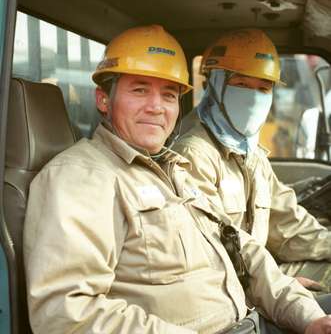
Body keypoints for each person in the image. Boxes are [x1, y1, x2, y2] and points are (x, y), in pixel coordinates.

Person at [24, 25, 331, 334]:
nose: (157, 107)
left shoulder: (172, 169)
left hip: (250, 318)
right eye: (140, 89)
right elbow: (66, 315)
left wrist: (306, 315)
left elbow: (241, 248)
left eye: (168, 94)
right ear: (103, 99)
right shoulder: (82, 177)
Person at [174, 28, 331, 294]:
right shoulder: (194, 155)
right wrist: (278, 288)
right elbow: (212, 258)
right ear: (213, 85)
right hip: (231, 289)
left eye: (263, 88)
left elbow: (288, 225)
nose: (254, 97)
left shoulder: (252, 154)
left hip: (256, 273)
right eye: (242, 85)